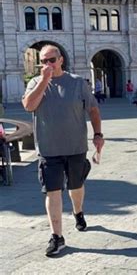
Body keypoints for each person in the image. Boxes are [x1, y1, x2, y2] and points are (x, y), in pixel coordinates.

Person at [22, 44, 105, 256]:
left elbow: (93, 109)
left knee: (76, 187)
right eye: (43, 61)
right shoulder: (35, 82)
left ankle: (78, 212)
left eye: (51, 60)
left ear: (61, 60)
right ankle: (57, 236)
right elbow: (29, 105)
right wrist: (43, 80)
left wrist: (98, 134)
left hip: (75, 147)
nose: (47, 64)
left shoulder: (77, 83)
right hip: (49, 150)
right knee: (52, 191)